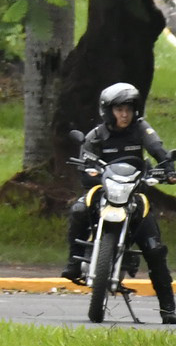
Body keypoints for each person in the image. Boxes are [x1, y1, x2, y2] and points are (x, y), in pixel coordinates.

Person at [62, 82, 174, 319]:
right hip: (104, 191)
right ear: (108, 111)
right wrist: (89, 169)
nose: (124, 114)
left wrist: (168, 168)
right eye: (119, 109)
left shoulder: (141, 129)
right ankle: (74, 262)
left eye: (128, 109)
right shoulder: (97, 135)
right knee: (79, 209)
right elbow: (85, 162)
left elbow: (157, 150)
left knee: (154, 249)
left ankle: (168, 308)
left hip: (134, 194)